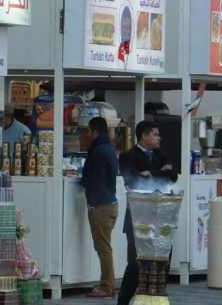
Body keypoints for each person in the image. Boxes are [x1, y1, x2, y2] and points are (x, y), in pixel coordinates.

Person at [117, 121, 177, 305]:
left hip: (161, 219)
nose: (159, 138)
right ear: (144, 135)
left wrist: (150, 174)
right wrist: (159, 173)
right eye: (155, 134)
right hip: (138, 218)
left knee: (161, 263)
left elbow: (172, 176)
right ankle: (124, 301)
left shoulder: (162, 154)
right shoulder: (128, 156)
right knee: (136, 264)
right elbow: (132, 178)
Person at [79, 117, 119, 298]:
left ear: (94, 131)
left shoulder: (98, 151)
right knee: (105, 247)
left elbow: (89, 178)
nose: (87, 135)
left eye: (88, 131)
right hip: (109, 203)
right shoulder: (109, 148)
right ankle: (108, 282)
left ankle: (106, 285)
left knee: (103, 248)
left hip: (101, 206)